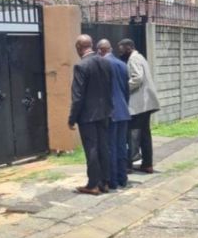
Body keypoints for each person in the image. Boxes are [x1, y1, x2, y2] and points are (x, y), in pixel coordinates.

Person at [68, 34, 112, 195]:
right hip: (104, 113)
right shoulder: (105, 62)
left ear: (79, 48)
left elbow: (77, 96)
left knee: (92, 149)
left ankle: (93, 184)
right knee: (103, 147)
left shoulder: (81, 66)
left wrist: (72, 118)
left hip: (87, 116)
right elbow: (109, 89)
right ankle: (104, 182)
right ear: (91, 45)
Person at [118, 39, 160, 173]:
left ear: (129, 47)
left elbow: (137, 78)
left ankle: (129, 164)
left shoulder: (134, 59)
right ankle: (147, 164)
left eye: (122, 49)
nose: (120, 53)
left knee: (133, 134)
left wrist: (124, 88)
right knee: (145, 134)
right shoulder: (140, 57)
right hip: (146, 103)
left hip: (140, 104)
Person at [96, 39, 130, 189]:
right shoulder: (122, 65)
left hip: (109, 111)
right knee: (122, 146)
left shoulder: (102, 64)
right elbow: (126, 90)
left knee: (110, 147)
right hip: (123, 110)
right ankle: (123, 178)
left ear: (100, 50)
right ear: (110, 49)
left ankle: (113, 180)